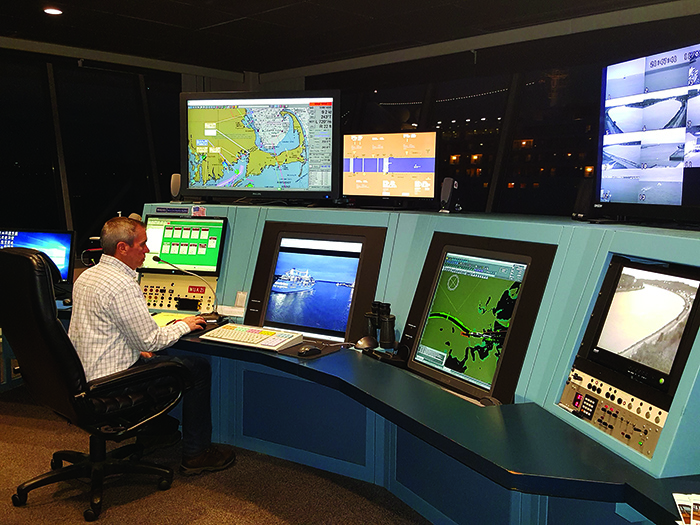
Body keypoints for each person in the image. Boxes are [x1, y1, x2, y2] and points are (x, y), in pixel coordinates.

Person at [68, 216, 236, 476]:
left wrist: (138, 347)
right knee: (196, 368)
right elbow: (151, 340)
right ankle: (196, 453)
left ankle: (154, 434)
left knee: (159, 357)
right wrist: (186, 324)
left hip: (81, 377)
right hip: (111, 382)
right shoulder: (122, 284)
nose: (147, 251)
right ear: (123, 248)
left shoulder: (87, 276)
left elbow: (104, 331)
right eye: (142, 245)